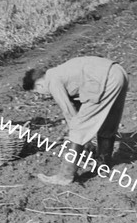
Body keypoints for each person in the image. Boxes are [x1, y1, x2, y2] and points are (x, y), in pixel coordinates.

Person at [22, 56, 129, 185]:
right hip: (118, 73)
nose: (42, 95)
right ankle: (103, 166)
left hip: (103, 80)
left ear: (39, 84)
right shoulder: (61, 72)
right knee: (109, 122)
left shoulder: (52, 80)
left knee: (78, 129)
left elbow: (68, 111)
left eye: (38, 92)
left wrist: (79, 135)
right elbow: (78, 104)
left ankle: (65, 176)